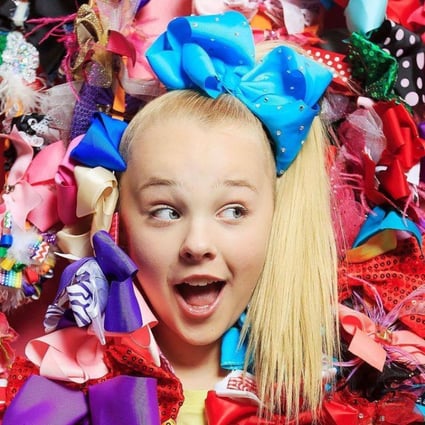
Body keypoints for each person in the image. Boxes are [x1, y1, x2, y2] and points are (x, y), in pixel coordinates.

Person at [1, 11, 338, 425]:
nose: (197, 244)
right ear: (118, 222)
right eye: (166, 211)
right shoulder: (55, 404)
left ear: (275, 219)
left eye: (233, 211)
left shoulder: (337, 398)